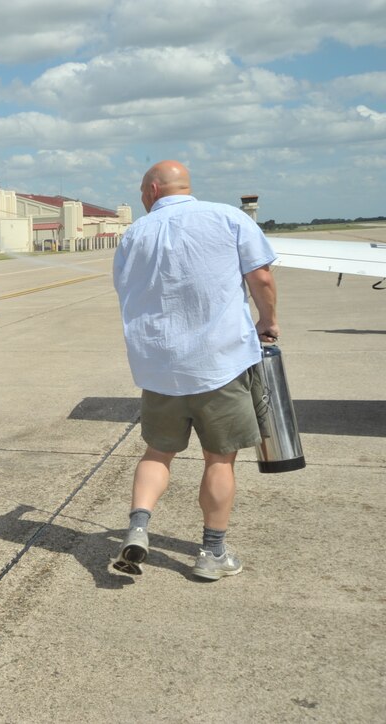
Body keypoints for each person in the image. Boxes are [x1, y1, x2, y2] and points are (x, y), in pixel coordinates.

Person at [111, 160, 279, 581]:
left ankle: (138, 527)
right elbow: (261, 276)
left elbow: (125, 290)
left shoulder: (135, 233)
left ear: (152, 189)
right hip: (219, 364)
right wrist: (267, 321)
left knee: (157, 453)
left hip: (159, 368)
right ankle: (213, 554)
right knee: (219, 459)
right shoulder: (227, 217)